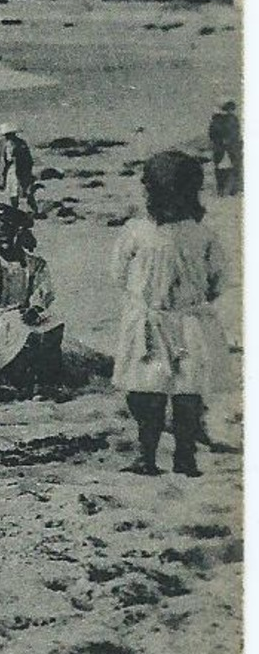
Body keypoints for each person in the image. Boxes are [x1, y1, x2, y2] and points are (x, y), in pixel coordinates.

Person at [111, 150, 231, 478]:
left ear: (151, 190)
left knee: (146, 392)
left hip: (150, 321)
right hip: (190, 322)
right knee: (185, 392)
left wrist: (144, 299)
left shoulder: (136, 231)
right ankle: (184, 457)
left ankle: (149, 456)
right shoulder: (202, 233)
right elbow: (219, 280)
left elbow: (118, 275)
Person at [0, 203, 65, 398]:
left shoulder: (35, 264)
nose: (4, 237)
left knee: (53, 325)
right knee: (21, 331)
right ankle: (22, 382)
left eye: (9, 231)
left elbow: (44, 289)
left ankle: (49, 380)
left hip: (26, 310)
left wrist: (36, 307)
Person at [0, 122, 39, 215]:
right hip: (16, 168)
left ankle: (24, 210)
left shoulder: (15, 144)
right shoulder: (9, 143)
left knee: (19, 189)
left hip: (18, 168)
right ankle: (21, 209)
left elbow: (11, 159)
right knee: (16, 190)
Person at [208, 99, 242, 196]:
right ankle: (223, 188)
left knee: (234, 167)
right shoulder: (218, 120)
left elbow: (236, 133)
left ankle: (232, 189)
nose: (230, 110)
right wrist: (221, 140)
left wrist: (229, 140)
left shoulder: (231, 119)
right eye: (229, 108)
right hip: (222, 148)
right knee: (220, 168)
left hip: (230, 147)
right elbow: (212, 134)